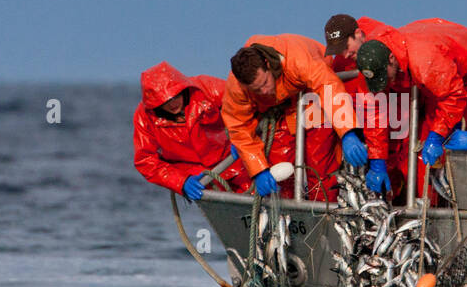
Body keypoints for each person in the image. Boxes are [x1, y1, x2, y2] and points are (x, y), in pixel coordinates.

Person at [356, 18, 467, 200]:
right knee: (419, 154)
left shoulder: (424, 59)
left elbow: (453, 96)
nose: (383, 84)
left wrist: (436, 135)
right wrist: (377, 161)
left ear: (391, 59)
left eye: (384, 77)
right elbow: (373, 112)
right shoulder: (370, 60)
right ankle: (424, 208)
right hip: (436, 86)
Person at [222, 34, 368, 200]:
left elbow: (329, 89)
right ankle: (285, 214)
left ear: (268, 66)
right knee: (279, 167)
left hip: (312, 93)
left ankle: (323, 210)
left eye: (264, 83)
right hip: (278, 108)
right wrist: (259, 170)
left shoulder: (298, 60)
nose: (263, 91)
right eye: (256, 90)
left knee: (318, 160)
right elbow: (238, 126)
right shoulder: (237, 87)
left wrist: (347, 131)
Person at [132, 62, 251, 200]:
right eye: (165, 101)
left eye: (175, 96)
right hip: (196, 177)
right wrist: (180, 182)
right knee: (223, 205)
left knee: (259, 190)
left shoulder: (206, 88)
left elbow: (245, 102)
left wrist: (243, 136)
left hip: (232, 157)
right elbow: (145, 160)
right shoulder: (144, 118)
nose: (173, 103)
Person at [322, 13, 393, 71]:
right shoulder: (341, 61)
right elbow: (328, 81)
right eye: (339, 50)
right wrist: (326, 89)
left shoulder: (386, 41)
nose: (345, 56)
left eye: (346, 47)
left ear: (358, 33)